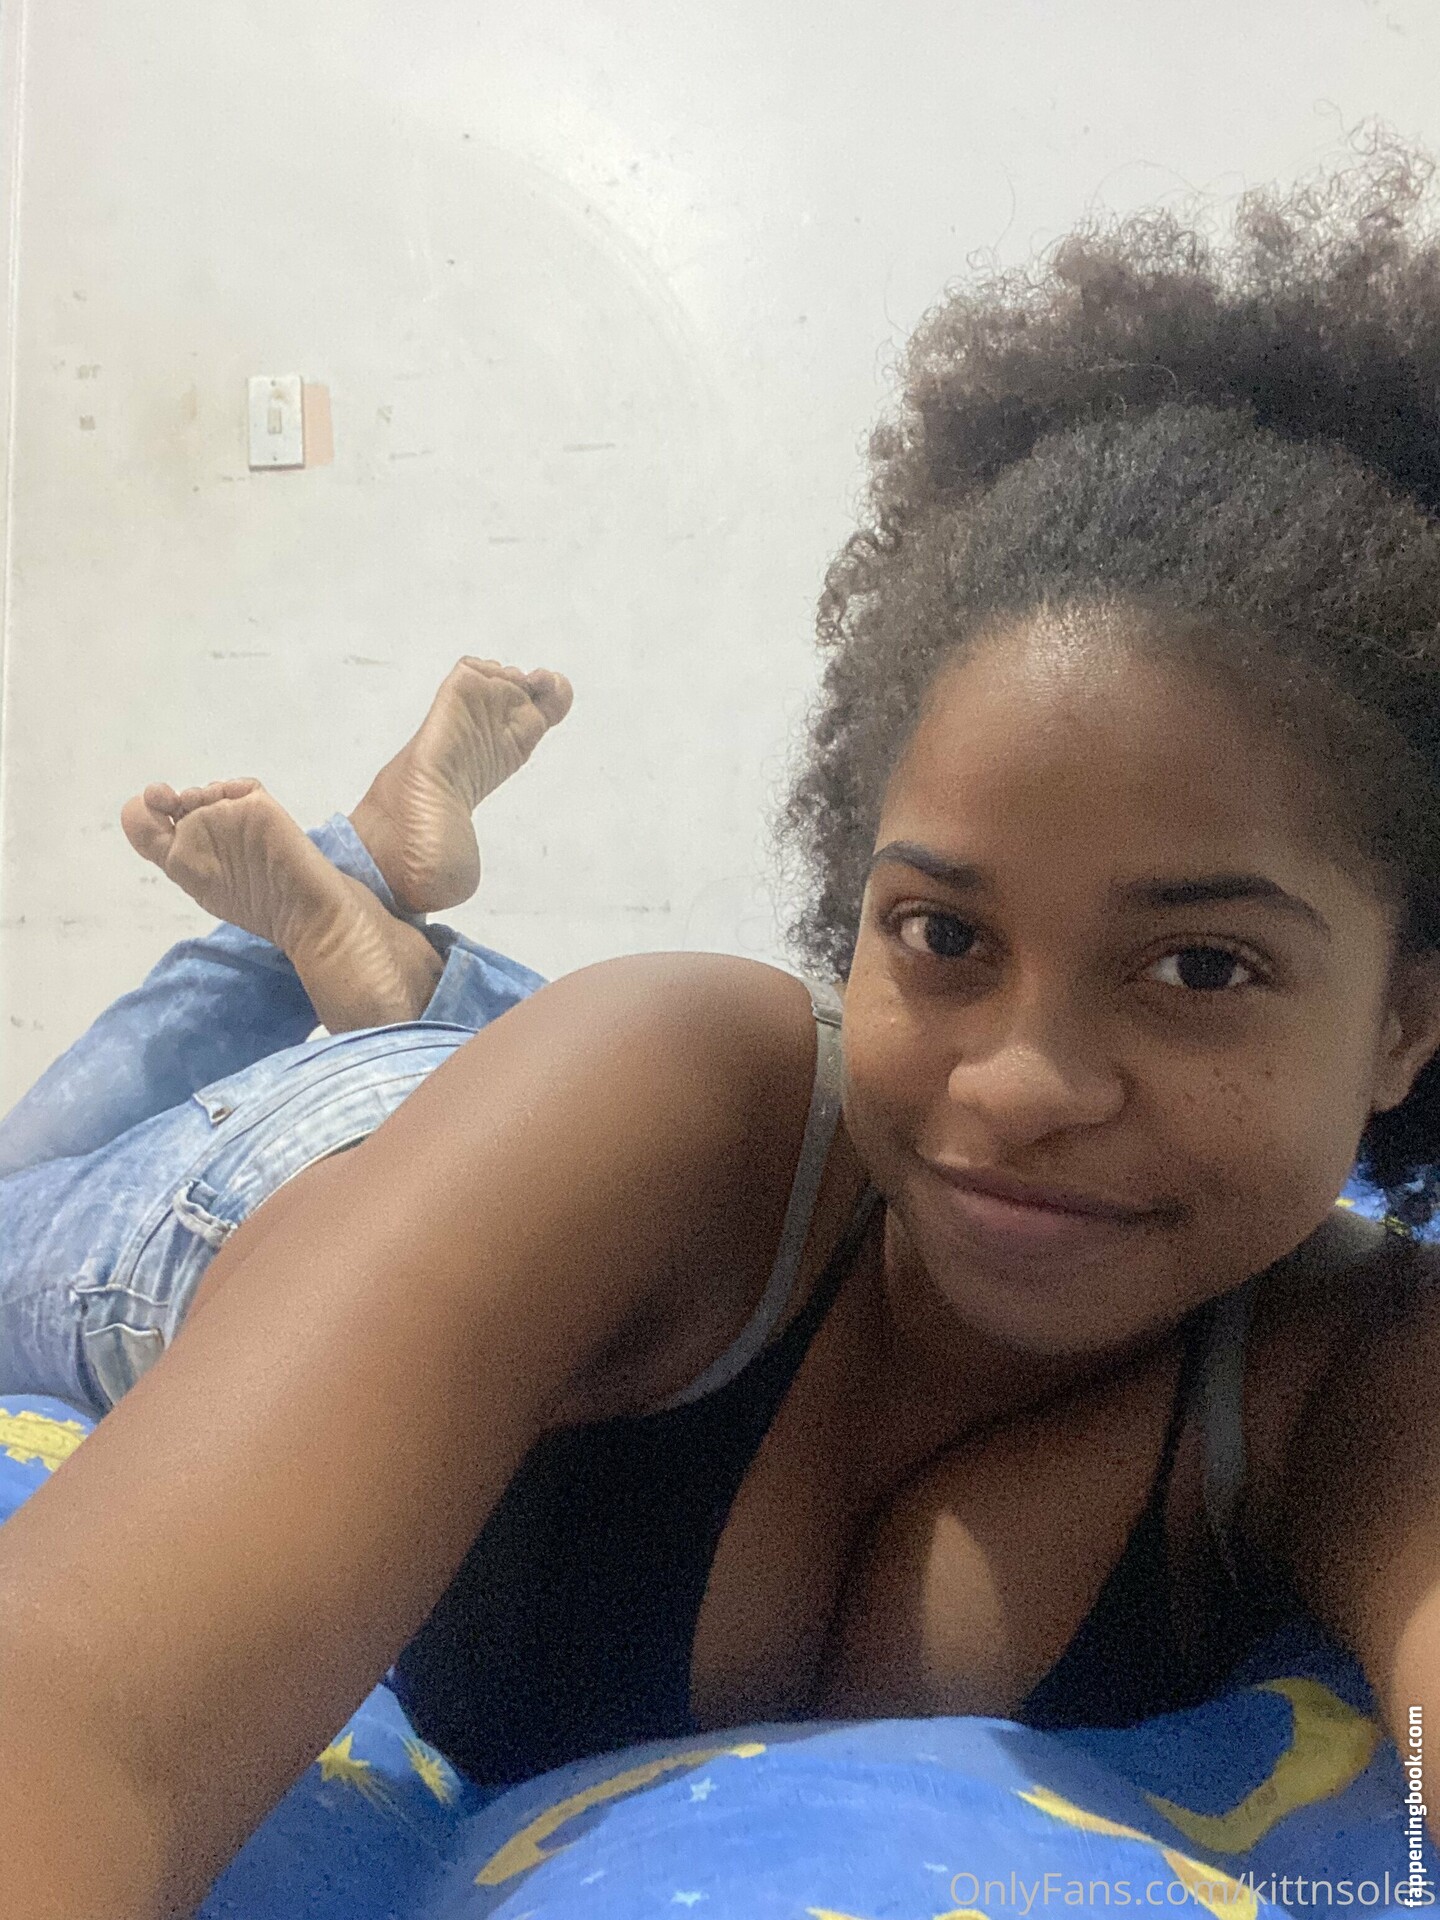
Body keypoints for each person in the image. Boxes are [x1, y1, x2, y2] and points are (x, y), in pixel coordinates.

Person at [8, 134, 1440, 1918]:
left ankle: (391, 936)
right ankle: (355, 906)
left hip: (556, 1145)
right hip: (258, 1193)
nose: (1021, 1082)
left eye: (1202, 969)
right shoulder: (682, 1086)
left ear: (1406, 1022)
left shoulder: (1350, 1369)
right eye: (944, 933)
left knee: (528, 1064)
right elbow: (77, 1708)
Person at [0, 654, 571, 1416]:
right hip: (411, 1148)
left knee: (14, 1187)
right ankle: (374, 902)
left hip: (517, 1096)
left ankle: (385, 912)